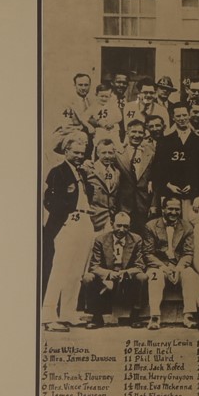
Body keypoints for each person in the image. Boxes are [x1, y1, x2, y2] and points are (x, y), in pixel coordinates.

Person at [41, 132, 96, 331]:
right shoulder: (58, 172)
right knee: (60, 268)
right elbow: (50, 201)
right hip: (69, 222)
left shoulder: (81, 172)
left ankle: (68, 312)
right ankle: (48, 314)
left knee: (76, 271)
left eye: (82, 152)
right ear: (66, 151)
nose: (80, 155)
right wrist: (66, 215)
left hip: (85, 220)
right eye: (76, 152)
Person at [142, 196, 199, 330]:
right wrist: (164, 267)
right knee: (154, 276)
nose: (174, 213)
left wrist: (179, 267)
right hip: (159, 266)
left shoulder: (187, 226)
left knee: (190, 273)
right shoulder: (151, 226)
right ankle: (155, 316)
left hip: (178, 265)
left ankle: (189, 314)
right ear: (163, 209)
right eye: (170, 209)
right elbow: (148, 253)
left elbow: (188, 252)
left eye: (177, 209)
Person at [82, 211, 148, 329]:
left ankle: (135, 315)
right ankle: (97, 317)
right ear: (112, 224)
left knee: (142, 277)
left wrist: (126, 273)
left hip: (127, 279)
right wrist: (108, 274)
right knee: (88, 278)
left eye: (126, 226)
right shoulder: (101, 240)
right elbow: (94, 266)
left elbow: (140, 265)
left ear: (130, 226)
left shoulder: (136, 239)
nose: (122, 230)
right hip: (106, 278)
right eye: (119, 225)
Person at [150, 102, 199, 219]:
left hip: (193, 196)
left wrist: (194, 187)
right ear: (173, 118)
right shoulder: (165, 141)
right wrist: (168, 185)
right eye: (178, 116)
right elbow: (157, 169)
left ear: (189, 116)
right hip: (170, 194)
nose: (182, 119)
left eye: (184, 115)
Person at [115, 119, 154, 233]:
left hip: (144, 204)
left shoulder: (151, 153)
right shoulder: (118, 153)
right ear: (127, 133)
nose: (137, 135)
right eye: (134, 132)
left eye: (140, 132)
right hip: (123, 203)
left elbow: (155, 180)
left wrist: (153, 204)